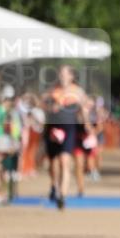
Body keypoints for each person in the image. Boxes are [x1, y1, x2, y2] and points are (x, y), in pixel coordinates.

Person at [42, 66, 88, 209]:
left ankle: (62, 196)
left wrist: (86, 124)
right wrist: (50, 107)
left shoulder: (78, 91)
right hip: (53, 129)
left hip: (69, 129)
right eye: (60, 74)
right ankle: (54, 186)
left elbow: (84, 108)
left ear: (71, 76)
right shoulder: (52, 90)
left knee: (64, 162)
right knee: (52, 164)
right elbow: (42, 104)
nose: (62, 76)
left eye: (64, 74)